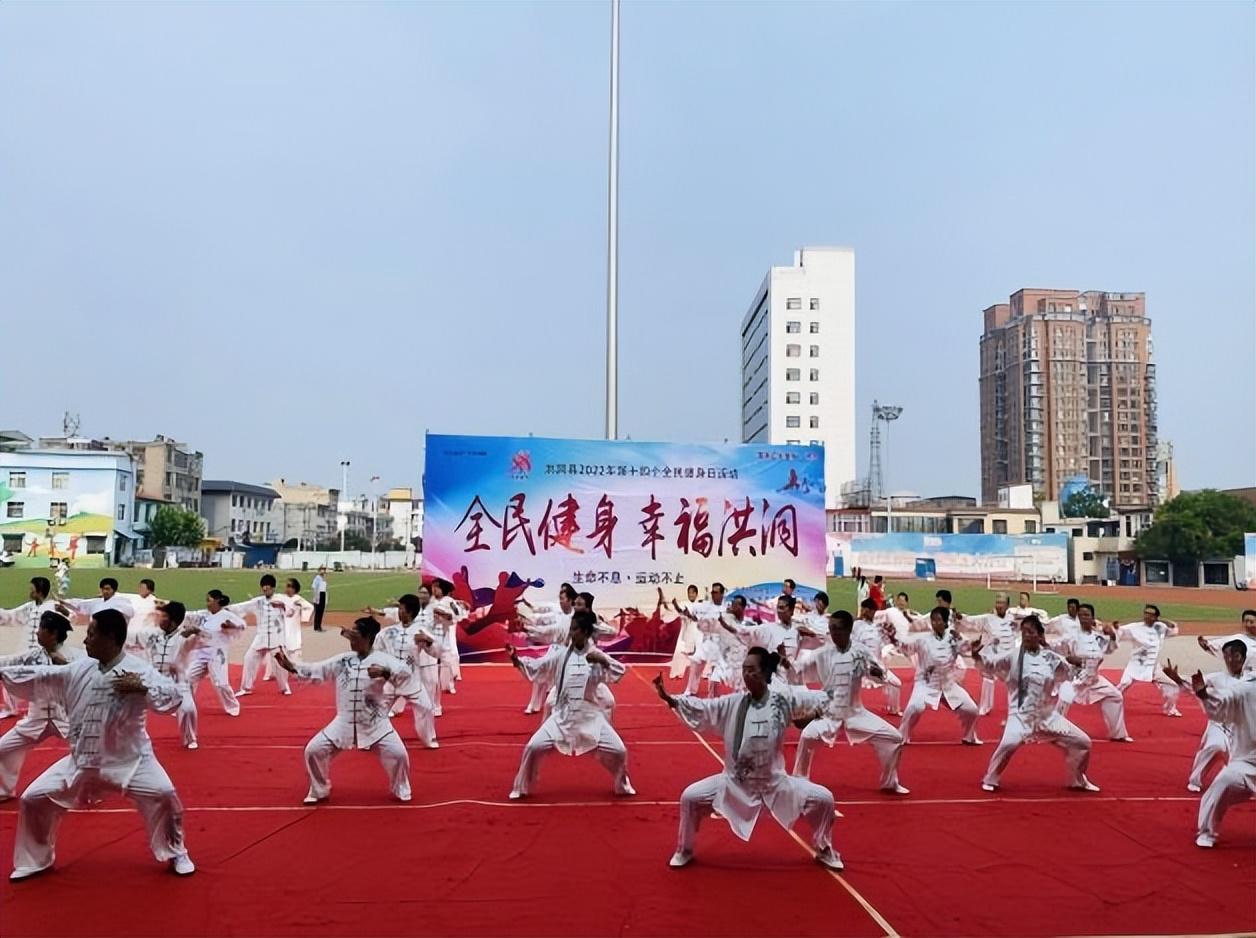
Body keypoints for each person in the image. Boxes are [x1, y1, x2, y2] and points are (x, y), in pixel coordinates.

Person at [0, 608, 194, 880]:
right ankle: (35, 860)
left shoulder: (138, 670)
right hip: (83, 761)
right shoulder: (81, 667)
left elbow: (173, 697)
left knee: (164, 794)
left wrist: (143, 689)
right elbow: (42, 675)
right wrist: (3, 672)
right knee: (33, 799)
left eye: (91, 634)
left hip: (131, 761)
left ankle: (176, 852)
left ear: (111, 638)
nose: (85, 640)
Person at [653, 648, 843, 871]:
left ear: (764, 674)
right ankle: (684, 849)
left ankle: (825, 848)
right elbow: (705, 708)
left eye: (752, 670)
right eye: (744, 670)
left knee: (824, 799)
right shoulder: (734, 703)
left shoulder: (782, 700)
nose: (746, 675)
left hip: (775, 783)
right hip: (734, 783)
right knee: (690, 797)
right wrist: (671, 699)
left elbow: (820, 700)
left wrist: (814, 713)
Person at [275, 617, 414, 805]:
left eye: (355, 636)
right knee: (313, 750)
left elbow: (406, 677)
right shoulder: (343, 660)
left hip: (375, 723)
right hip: (344, 722)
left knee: (399, 755)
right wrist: (292, 667)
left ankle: (401, 788)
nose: (351, 640)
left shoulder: (383, 660)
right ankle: (319, 789)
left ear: (367, 637)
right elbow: (318, 669)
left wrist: (385, 673)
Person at [505, 610, 634, 800]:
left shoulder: (595, 655)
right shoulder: (562, 655)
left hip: (590, 715)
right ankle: (521, 787)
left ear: (584, 632)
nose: (571, 633)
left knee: (619, 750)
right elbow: (540, 666)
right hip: (562, 715)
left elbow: (619, 672)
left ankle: (622, 784)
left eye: (574, 630)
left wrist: (603, 660)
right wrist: (516, 659)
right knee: (533, 747)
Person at [973, 615, 1099, 793]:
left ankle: (1078, 780)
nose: (1025, 635)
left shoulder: (1050, 658)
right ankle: (991, 778)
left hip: (1047, 716)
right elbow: (990, 664)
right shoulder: (1013, 656)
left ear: (1040, 636)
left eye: (1030, 632)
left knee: (1083, 742)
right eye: (1023, 632)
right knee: (1008, 744)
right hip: (1020, 715)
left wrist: (1077, 664)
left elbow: (1071, 673)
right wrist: (976, 655)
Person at [791, 610, 909, 794]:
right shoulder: (822, 653)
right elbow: (798, 669)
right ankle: (799, 780)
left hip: (855, 712)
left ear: (848, 629)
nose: (834, 633)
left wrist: (880, 675)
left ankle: (890, 782)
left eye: (838, 629)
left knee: (894, 738)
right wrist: (782, 665)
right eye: (831, 629)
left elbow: (876, 671)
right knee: (807, 736)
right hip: (828, 712)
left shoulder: (861, 652)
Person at [1168, 651, 1256, 848]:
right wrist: (1203, 695)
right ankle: (1207, 832)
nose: (1231, 660)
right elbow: (1219, 705)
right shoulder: (1244, 689)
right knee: (1223, 781)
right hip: (1247, 761)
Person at [0, 612, 82, 800]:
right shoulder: (32, 656)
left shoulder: (76, 656)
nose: (37, 633)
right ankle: (4, 790)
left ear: (52, 634)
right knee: (3, 748)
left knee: (88, 752)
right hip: (36, 719)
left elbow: (92, 674)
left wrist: (66, 665)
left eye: (41, 629)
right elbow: (7, 662)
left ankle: (88, 791)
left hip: (67, 718)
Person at [1163, 643, 1254, 793]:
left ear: (1243, 658)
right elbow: (1196, 685)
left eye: (1235, 656)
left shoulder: (1250, 680)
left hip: (1240, 728)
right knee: (1216, 746)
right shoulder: (1217, 678)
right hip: (1218, 724)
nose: (1230, 660)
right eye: (1227, 656)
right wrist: (1178, 679)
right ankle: (1195, 779)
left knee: (1242, 760)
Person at [890, 607, 981, 746]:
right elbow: (906, 647)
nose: (934, 623)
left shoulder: (954, 637)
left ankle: (970, 736)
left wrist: (973, 646)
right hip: (926, 683)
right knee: (915, 706)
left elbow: (967, 649)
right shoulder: (923, 639)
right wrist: (894, 638)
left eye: (938, 620)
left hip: (948, 684)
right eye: (933, 620)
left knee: (972, 709)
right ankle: (901, 736)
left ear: (945, 622)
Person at [1051, 604, 1133, 742]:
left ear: (1092, 618)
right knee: (1064, 699)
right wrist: (1067, 659)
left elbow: (1110, 649)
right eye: (1081, 615)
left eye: (1087, 615)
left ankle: (1118, 734)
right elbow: (1054, 648)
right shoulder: (1071, 637)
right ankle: (1054, 731)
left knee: (1115, 696)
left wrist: (1112, 635)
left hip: (1094, 679)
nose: (1084, 618)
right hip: (1076, 677)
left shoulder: (1098, 637)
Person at [367, 594, 439, 748]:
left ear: (410, 612)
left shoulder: (420, 631)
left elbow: (435, 653)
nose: (399, 611)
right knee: (377, 711)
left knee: (425, 707)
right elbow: (376, 650)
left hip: (412, 681)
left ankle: (428, 739)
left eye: (401, 608)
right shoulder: (388, 632)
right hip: (390, 681)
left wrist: (428, 641)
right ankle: (369, 739)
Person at [126, 601, 200, 749]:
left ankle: (190, 738)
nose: (160, 619)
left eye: (164, 616)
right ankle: (131, 739)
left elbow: (208, 638)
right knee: (130, 704)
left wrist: (196, 632)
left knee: (188, 709)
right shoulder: (152, 633)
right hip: (152, 677)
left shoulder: (185, 637)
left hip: (176, 680)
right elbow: (130, 635)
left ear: (173, 621)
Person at [179, 591, 247, 718]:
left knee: (221, 683)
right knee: (187, 678)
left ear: (217, 601)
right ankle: (186, 705)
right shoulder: (203, 614)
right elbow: (189, 615)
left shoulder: (226, 615)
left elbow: (242, 625)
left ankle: (232, 706)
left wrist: (231, 625)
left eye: (209, 600)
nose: (207, 603)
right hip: (201, 653)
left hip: (217, 654)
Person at [0, 577, 58, 719]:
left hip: (43, 654)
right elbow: (11, 615)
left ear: (38, 591)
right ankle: (10, 707)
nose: (29, 592)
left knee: (46, 684)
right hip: (26, 651)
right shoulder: (30, 607)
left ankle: (49, 712)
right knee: (7, 672)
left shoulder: (52, 607)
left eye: (31, 589)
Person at [1116, 605, 1182, 717]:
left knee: (1173, 686)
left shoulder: (1160, 627)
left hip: (1153, 667)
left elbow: (1174, 630)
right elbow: (1118, 631)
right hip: (1136, 664)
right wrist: (1114, 628)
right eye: (1145, 613)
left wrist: (1167, 622)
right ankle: (1111, 703)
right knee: (1123, 684)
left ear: (1156, 617)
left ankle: (1170, 709)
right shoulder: (1134, 627)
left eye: (1151, 614)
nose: (1147, 616)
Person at [231, 575, 292, 696]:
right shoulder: (258, 602)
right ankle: (246, 687)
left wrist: (283, 606)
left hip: (276, 637)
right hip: (261, 637)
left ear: (273, 588)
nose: (266, 591)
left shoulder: (281, 600)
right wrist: (227, 608)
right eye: (264, 589)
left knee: (280, 664)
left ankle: (285, 687)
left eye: (268, 589)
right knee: (249, 658)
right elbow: (242, 607)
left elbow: (292, 611)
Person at [960, 592, 1018, 716]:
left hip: (1009, 656)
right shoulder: (988, 618)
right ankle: (985, 707)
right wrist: (961, 617)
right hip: (993, 656)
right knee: (988, 678)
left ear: (1008, 605)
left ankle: (1017, 709)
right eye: (997, 602)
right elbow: (972, 621)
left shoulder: (1012, 619)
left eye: (1002, 602)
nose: (999, 605)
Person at [854, 599, 902, 715]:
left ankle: (894, 709)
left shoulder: (878, 627)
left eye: (866, 609)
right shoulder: (857, 626)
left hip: (877, 666)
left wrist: (893, 637)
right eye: (863, 609)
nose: (863, 611)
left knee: (896, 683)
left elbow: (889, 642)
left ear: (873, 611)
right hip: (862, 665)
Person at [1196, 610, 1256, 674]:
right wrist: (1206, 644)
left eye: (1251, 622)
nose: (1248, 624)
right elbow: (1215, 646)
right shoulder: (1237, 639)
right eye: (1246, 622)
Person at [58, 577, 135, 624]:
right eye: (103, 589)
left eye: (108, 589)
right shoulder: (97, 602)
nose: (105, 591)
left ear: (114, 590)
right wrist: (65, 602)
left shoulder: (122, 602)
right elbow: (81, 604)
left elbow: (130, 612)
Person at [668, 584, 704, 680]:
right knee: (680, 652)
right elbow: (681, 612)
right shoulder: (685, 603)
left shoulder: (700, 605)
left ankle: (705, 673)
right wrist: (676, 606)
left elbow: (696, 618)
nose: (691, 595)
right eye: (689, 593)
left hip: (697, 631)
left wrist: (689, 615)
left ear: (696, 594)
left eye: (693, 593)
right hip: (686, 631)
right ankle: (677, 673)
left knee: (702, 652)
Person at [278, 578, 315, 664]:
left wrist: (304, 618)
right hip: (283, 632)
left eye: (289, 586)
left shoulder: (298, 599)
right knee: (280, 656)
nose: (286, 588)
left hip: (294, 633)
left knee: (296, 659)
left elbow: (310, 607)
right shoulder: (282, 598)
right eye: (286, 586)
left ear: (294, 589)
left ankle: (300, 674)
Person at [311, 567, 328, 632]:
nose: (323, 571)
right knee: (318, 611)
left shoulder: (323, 579)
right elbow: (314, 588)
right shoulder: (317, 578)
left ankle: (318, 625)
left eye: (324, 570)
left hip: (323, 594)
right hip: (318, 595)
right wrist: (315, 596)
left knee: (321, 611)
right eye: (322, 570)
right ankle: (317, 626)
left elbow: (325, 589)